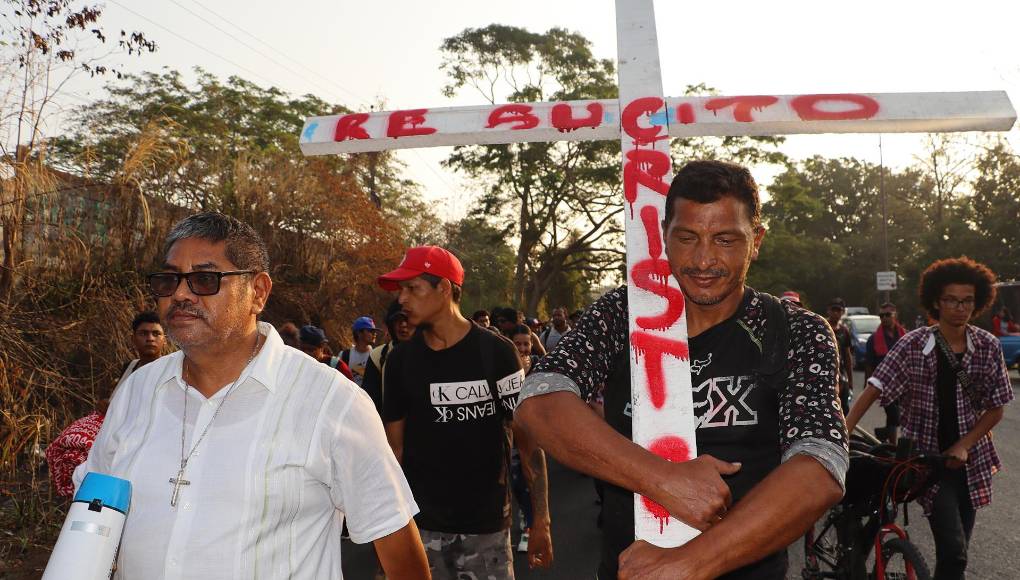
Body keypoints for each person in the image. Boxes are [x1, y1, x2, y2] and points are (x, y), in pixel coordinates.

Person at [515, 160, 848, 579]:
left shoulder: (794, 329)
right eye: (687, 238)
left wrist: (687, 564)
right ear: (662, 236)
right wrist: (664, 480)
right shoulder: (624, 313)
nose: (704, 259)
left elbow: (821, 465)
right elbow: (538, 400)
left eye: (726, 240)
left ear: (756, 240)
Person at [74, 211, 428, 579]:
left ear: (257, 292)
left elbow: (399, 550)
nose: (179, 294)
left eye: (204, 279)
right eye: (169, 280)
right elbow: (93, 516)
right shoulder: (137, 390)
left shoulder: (331, 402)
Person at [379, 245, 553, 578]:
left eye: (411, 288)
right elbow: (393, 454)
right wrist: (388, 535)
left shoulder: (498, 354)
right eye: (401, 290)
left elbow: (529, 442)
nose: (401, 299)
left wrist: (540, 520)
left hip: (487, 528)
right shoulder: (400, 362)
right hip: (423, 528)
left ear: (444, 289)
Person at [845, 257, 1013, 580]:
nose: (959, 308)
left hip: (971, 463)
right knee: (954, 550)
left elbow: (996, 408)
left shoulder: (988, 347)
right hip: (928, 465)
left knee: (957, 551)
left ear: (977, 302)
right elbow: (874, 389)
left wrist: (964, 445)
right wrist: (841, 434)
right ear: (936, 300)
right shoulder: (913, 344)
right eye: (951, 300)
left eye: (967, 301)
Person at [46, 311, 167, 498]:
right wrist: (107, 405)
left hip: (144, 439)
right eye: (143, 333)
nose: (150, 338)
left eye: (156, 333)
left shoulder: (169, 371)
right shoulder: (130, 367)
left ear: (164, 339)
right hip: (116, 432)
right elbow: (118, 401)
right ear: (133, 339)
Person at [361, 300, 417, 415]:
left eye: (407, 319)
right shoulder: (377, 356)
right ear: (391, 325)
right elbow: (369, 402)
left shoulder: (430, 352)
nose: (403, 325)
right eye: (398, 320)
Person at [866, 302, 907, 443]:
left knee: (896, 417)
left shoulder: (905, 336)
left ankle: (883, 434)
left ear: (895, 315)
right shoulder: (873, 340)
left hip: (902, 383)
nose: (884, 318)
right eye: (881, 315)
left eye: (888, 315)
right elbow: (869, 365)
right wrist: (869, 388)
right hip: (884, 385)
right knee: (893, 414)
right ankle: (893, 446)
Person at [825, 299, 855, 412]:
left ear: (842, 312)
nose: (836, 313)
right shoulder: (823, 327)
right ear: (828, 311)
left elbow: (847, 356)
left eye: (839, 310)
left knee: (844, 408)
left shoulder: (844, 331)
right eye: (834, 310)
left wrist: (850, 380)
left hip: (841, 375)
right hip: (825, 375)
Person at [342, 316, 382, 386]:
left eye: (375, 331)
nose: (375, 334)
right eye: (370, 331)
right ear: (359, 333)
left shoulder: (377, 355)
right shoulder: (345, 355)